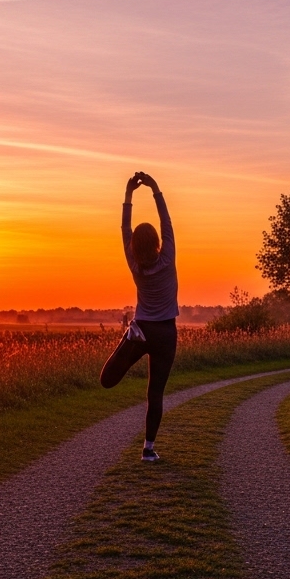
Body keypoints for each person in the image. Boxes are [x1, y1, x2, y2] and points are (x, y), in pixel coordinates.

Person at [100, 171, 178, 462]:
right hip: (165, 334)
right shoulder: (168, 257)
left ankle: (130, 340)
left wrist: (128, 195)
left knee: (106, 380)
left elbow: (124, 227)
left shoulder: (134, 264)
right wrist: (155, 188)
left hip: (143, 328)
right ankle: (148, 450)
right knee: (154, 393)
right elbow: (166, 220)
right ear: (158, 242)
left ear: (134, 245)